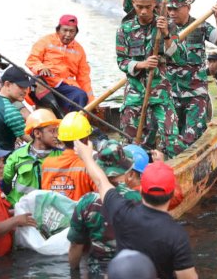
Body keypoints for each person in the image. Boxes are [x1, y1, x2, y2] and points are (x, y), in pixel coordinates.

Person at [75, 139, 198, 279]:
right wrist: (160, 165)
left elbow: (101, 181)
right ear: (171, 194)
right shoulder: (177, 235)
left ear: (142, 189)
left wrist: (86, 157)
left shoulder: (123, 212)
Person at [116, 0, 185, 157]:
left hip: (159, 90)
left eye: (148, 7)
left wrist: (166, 34)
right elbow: (122, 61)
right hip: (135, 91)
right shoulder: (125, 29)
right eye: (140, 7)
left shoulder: (167, 24)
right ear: (133, 3)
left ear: (155, 4)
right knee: (130, 135)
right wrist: (142, 65)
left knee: (171, 135)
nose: (144, 11)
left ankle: (172, 168)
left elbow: (177, 58)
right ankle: (133, 169)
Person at [166, 0, 217, 145]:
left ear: (188, 7)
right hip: (172, 93)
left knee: (192, 137)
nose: (172, 12)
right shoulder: (165, 28)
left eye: (176, 8)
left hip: (196, 93)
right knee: (173, 139)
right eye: (169, 8)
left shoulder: (200, 25)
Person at [68, 141, 142, 274]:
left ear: (98, 169)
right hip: (132, 271)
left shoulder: (86, 202)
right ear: (128, 171)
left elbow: (76, 245)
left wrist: (74, 272)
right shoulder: (139, 199)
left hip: (98, 272)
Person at [25, 14, 94, 113]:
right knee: (35, 82)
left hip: (65, 86)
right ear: (58, 30)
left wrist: (91, 101)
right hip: (45, 82)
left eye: (71, 31)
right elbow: (32, 59)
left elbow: (84, 78)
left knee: (80, 95)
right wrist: (40, 67)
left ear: (76, 33)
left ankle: (72, 123)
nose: (68, 34)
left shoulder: (79, 50)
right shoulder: (45, 41)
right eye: (65, 30)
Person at [2, 109, 62, 206]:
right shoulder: (18, 155)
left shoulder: (62, 156)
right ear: (37, 133)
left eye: (57, 131)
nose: (56, 135)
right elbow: (4, 180)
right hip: (21, 209)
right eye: (52, 131)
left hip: (49, 211)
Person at [41, 111, 96, 201]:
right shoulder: (89, 166)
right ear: (86, 139)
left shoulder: (46, 164)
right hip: (80, 214)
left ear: (62, 140)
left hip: (53, 214)